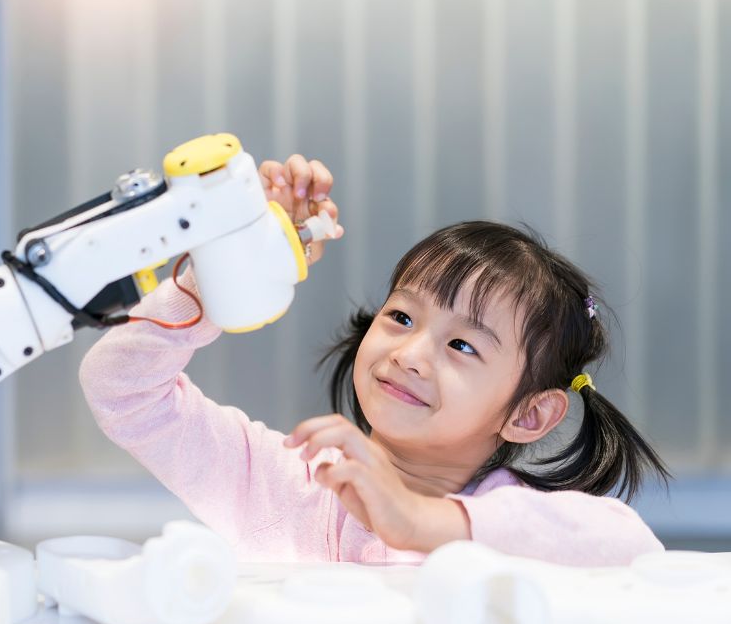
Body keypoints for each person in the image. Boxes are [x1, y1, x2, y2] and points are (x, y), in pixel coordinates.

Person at [79, 155, 669, 566]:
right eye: (402, 318)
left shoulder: (519, 528)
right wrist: (227, 272)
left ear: (530, 415)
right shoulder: (280, 480)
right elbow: (122, 388)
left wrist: (417, 522)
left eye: (463, 345)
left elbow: (629, 547)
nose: (409, 354)